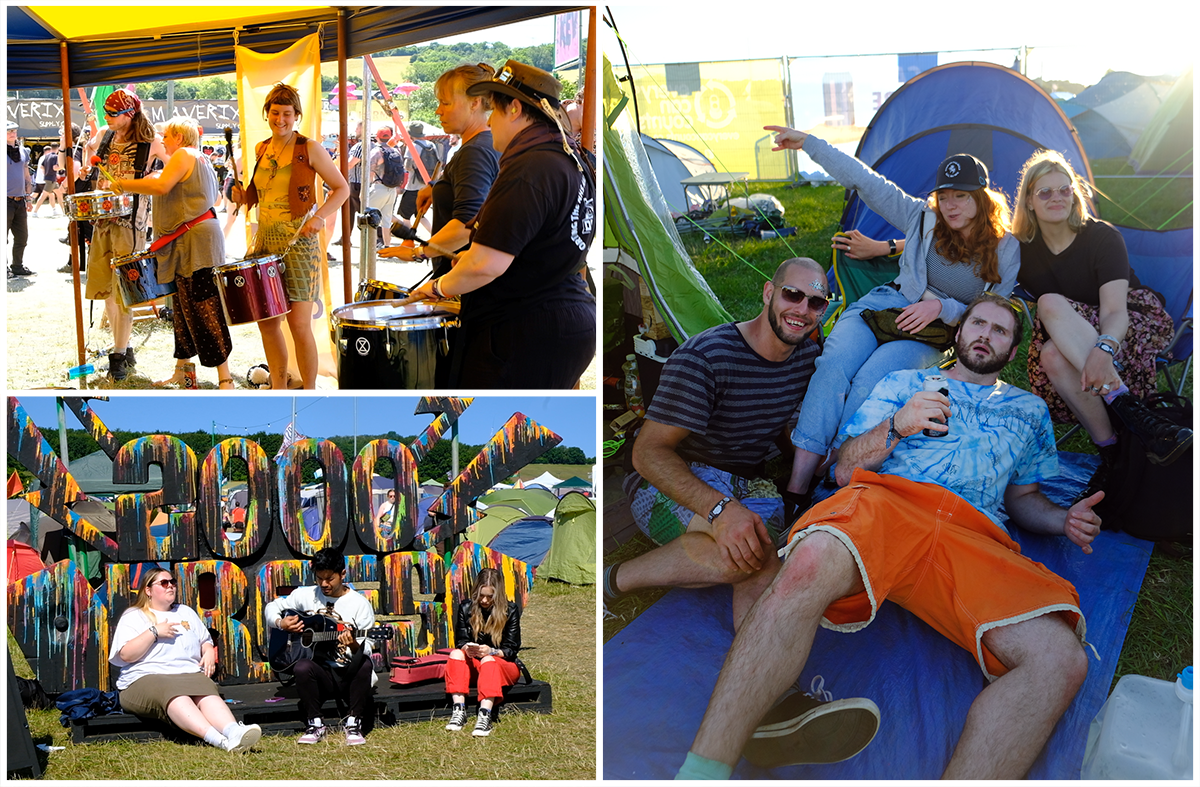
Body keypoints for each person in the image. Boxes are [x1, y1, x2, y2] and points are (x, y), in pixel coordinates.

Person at [678, 293, 1099, 779]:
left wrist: (1063, 519)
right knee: (809, 562)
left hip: (972, 536)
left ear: (1012, 347)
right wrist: (896, 426)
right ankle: (701, 771)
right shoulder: (905, 383)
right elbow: (843, 467)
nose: (985, 334)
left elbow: (1024, 500)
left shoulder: (1029, 410)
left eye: (1000, 330)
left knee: (1060, 660)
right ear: (958, 332)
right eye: (977, 323)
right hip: (887, 507)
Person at [764, 125, 1019, 502]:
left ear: (982, 198)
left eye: (961, 197)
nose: (950, 206)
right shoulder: (923, 218)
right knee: (833, 364)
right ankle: (797, 485)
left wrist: (942, 307)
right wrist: (811, 145)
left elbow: (992, 314)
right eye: (944, 196)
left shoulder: (1005, 247)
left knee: (872, 378)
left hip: (934, 331)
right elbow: (867, 182)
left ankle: (835, 467)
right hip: (887, 305)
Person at [603, 258, 828, 629]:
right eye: (793, 294)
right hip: (672, 477)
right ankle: (616, 579)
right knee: (739, 557)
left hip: (747, 480)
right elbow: (648, 452)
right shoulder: (706, 357)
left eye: (816, 302)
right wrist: (721, 511)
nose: (802, 310)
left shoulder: (807, 359)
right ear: (769, 292)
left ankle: (759, 675)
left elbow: (783, 425)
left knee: (760, 556)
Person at [400, 60, 596, 389]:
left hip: (525, 330)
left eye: (496, 111)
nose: (490, 120)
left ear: (516, 108)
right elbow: (542, 243)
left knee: (499, 434)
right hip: (559, 318)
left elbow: (487, 264)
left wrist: (437, 287)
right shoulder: (568, 157)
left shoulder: (531, 166)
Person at [1012, 149, 1191, 491]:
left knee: (1049, 303)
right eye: (1045, 192)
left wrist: (1104, 348)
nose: (1057, 198)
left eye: (1065, 189)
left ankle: (1123, 409)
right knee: (1050, 352)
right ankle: (1115, 448)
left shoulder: (1101, 237)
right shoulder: (1022, 250)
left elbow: (1114, 310)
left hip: (1128, 323)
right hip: (1070, 335)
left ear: (1074, 194)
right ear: (1029, 202)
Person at [378, 62, 502, 386]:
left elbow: (465, 226)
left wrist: (417, 252)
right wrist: (436, 187)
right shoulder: (484, 146)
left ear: (476, 103)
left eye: (446, 102)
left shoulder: (475, 152)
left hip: (468, 290)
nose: (438, 110)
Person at [230, 83, 351, 390]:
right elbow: (258, 194)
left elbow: (342, 188)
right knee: (268, 323)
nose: (280, 119)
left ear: (297, 115)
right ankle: (279, 388)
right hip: (265, 241)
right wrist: (242, 195)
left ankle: (308, 391)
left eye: (287, 113)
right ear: (267, 113)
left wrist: (320, 217)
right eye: (275, 112)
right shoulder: (261, 148)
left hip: (299, 242)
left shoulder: (309, 147)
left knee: (298, 323)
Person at [112, 116, 235, 390]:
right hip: (189, 243)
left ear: (179, 137)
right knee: (182, 311)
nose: (163, 141)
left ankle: (225, 378)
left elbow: (160, 187)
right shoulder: (195, 159)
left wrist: (123, 184)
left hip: (196, 245)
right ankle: (183, 371)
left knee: (206, 311)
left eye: (166, 135)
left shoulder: (184, 154)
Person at [108, 567, 263, 752]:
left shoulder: (185, 612)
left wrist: (208, 652)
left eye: (172, 582)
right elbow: (126, 654)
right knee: (174, 692)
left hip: (188, 673)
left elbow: (204, 640)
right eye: (164, 583)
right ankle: (220, 741)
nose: (170, 586)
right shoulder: (134, 615)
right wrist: (154, 632)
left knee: (206, 690)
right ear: (148, 590)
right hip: (145, 678)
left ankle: (234, 732)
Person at [83, 88, 170, 381]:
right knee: (107, 287)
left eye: (112, 114)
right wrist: (86, 164)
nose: (107, 118)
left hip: (130, 225)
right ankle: (124, 345)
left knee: (124, 292)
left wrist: (153, 178)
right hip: (102, 222)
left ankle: (118, 354)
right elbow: (89, 149)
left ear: (129, 115)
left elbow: (175, 169)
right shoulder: (105, 136)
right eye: (105, 113)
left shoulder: (151, 143)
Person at [263, 547, 376, 746]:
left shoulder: (360, 604)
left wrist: (354, 645)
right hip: (320, 676)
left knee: (365, 664)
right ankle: (315, 724)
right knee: (302, 666)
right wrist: (280, 623)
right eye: (319, 578)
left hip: (346, 675)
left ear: (342, 574)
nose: (324, 584)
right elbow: (273, 607)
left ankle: (353, 723)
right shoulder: (304, 595)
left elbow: (368, 647)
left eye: (330, 579)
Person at [444, 568, 522, 737]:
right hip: (476, 663)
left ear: (498, 594)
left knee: (488, 660)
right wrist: (468, 648)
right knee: (455, 654)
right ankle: (459, 710)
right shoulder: (466, 607)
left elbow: (511, 649)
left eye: (490, 596)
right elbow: (460, 641)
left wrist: (491, 651)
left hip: (502, 665)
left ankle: (485, 715)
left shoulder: (511, 610)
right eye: (481, 595)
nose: (485, 600)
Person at [394, 122, 440, 237]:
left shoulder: (413, 146)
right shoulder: (431, 145)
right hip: (427, 185)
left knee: (405, 215)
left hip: (413, 186)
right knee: (420, 214)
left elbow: (407, 166)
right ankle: (434, 235)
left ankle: (409, 239)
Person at [7, 120, 34, 277]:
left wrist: (28, 198)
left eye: (14, 130)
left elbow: (26, 175)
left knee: (22, 237)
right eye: (9, 131)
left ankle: (17, 266)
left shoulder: (23, 151)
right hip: (5, 200)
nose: (12, 133)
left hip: (20, 200)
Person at [31, 142, 63, 218]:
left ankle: (64, 211)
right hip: (51, 179)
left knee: (59, 194)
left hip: (49, 178)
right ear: (58, 148)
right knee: (43, 196)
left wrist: (46, 172)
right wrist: (62, 167)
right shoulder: (56, 157)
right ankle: (35, 211)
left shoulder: (46, 156)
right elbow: (55, 167)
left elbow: (42, 166)